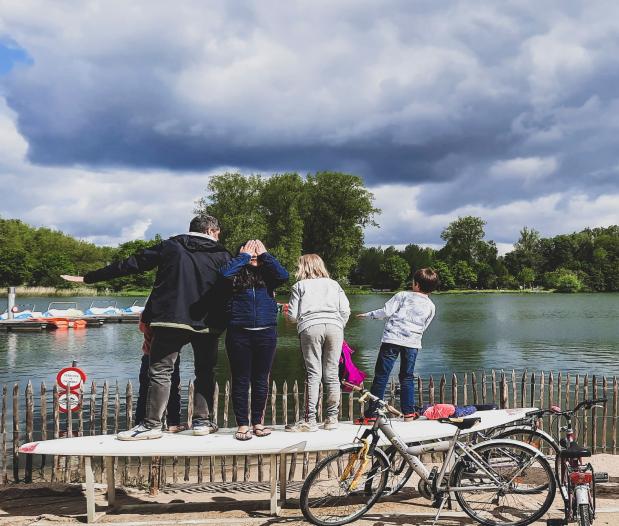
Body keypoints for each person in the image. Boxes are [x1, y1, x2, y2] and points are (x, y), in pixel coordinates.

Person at [62, 215, 231, 440]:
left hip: (169, 318)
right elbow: (232, 287)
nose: (218, 237)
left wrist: (89, 278)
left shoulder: (172, 246)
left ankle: (151, 425)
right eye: (218, 233)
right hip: (208, 322)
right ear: (212, 230)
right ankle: (202, 422)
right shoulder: (222, 254)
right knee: (204, 371)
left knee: (161, 372)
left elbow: (131, 264)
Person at [219, 239, 288, 441]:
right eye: (250, 250)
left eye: (257, 251)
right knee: (240, 380)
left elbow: (284, 275)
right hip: (239, 333)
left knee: (261, 380)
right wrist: (243, 257)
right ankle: (242, 424)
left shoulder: (269, 275)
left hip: (266, 333)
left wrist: (265, 255)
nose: (254, 254)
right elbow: (223, 274)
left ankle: (258, 422)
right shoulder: (234, 274)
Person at [356, 268, 439, 423]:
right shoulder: (431, 306)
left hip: (391, 341)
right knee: (407, 377)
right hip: (412, 343)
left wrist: (368, 315)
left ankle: (373, 414)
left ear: (416, 284)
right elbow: (424, 326)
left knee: (381, 376)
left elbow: (385, 312)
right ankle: (408, 413)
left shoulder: (402, 295)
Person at [285, 254, 350, 432]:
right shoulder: (334, 284)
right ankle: (332, 419)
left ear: (303, 267)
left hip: (310, 327)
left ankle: (311, 420)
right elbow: (345, 310)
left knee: (314, 374)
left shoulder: (299, 286)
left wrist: (291, 316)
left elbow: (292, 317)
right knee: (332, 374)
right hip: (335, 327)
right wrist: (338, 325)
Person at [135, 318, 183, 432]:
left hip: (150, 355)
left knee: (145, 393)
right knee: (173, 391)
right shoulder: (175, 312)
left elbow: (142, 327)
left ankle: (140, 423)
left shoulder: (150, 310)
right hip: (172, 356)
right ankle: (173, 423)